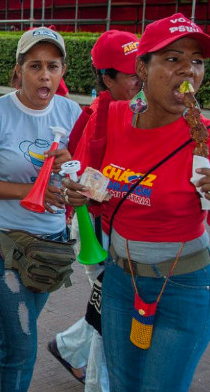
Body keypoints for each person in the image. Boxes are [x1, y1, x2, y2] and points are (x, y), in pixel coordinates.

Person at [62, 13, 210, 392]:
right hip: (120, 280)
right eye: (172, 59)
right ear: (142, 68)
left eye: (196, 61)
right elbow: (91, 189)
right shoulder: (111, 119)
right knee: (121, 384)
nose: (188, 71)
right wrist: (74, 192)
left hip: (185, 287)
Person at [0, 27, 81, 392]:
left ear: (62, 71)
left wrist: (71, 166)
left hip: (49, 249)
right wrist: (30, 190)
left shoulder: (71, 112)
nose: (45, 76)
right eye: (35, 66)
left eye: (53, 67)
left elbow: (82, 177)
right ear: (18, 71)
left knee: (9, 338)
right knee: (21, 345)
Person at [47, 30, 141, 392]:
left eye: (142, 67)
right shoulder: (101, 116)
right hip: (100, 231)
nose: (140, 78)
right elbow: (87, 186)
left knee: (109, 306)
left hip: (129, 233)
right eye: (130, 72)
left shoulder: (143, 108)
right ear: (107, 77)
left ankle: (68, 348)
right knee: (112, 319)